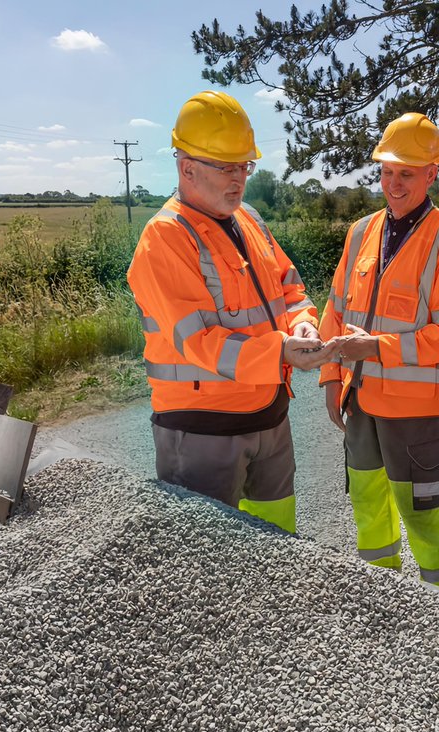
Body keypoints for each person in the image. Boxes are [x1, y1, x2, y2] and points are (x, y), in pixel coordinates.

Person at [127, 90, 331, 533]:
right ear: (187, 168)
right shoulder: (165, 237)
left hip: (270, 417)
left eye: (244, 166)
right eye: (226, 167)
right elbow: (199, 341)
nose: (239, 179)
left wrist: (303, 323)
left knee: (279, 547)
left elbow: (289, 285)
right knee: (209, 560)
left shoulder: (249, 219)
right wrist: (281, 352)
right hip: (203, 433)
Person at [319, 113, 439, 592]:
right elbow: (335, 307)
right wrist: (331, 378)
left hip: (415, 416)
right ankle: (378, 600)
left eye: (406, 173)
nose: (393, 183)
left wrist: (374, 347)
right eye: (387, 171)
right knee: (368, 511)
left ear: (432, 174)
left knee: (428, 522)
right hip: (360, 405)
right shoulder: (360, 232)